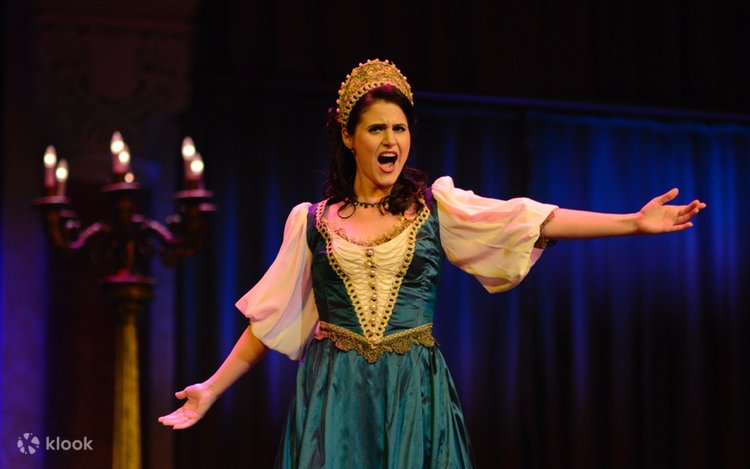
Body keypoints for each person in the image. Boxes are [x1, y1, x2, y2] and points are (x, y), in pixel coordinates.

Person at [159, 59, 706, 467]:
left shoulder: (436, 209)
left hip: (413, 391)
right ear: (349, 137)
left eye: (400, 128)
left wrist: (631, 222)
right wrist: (212, 388)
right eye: (377, 128)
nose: (391, 140)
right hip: (335, 394)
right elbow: (269, 320)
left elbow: (532, 219)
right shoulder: (311, 220)